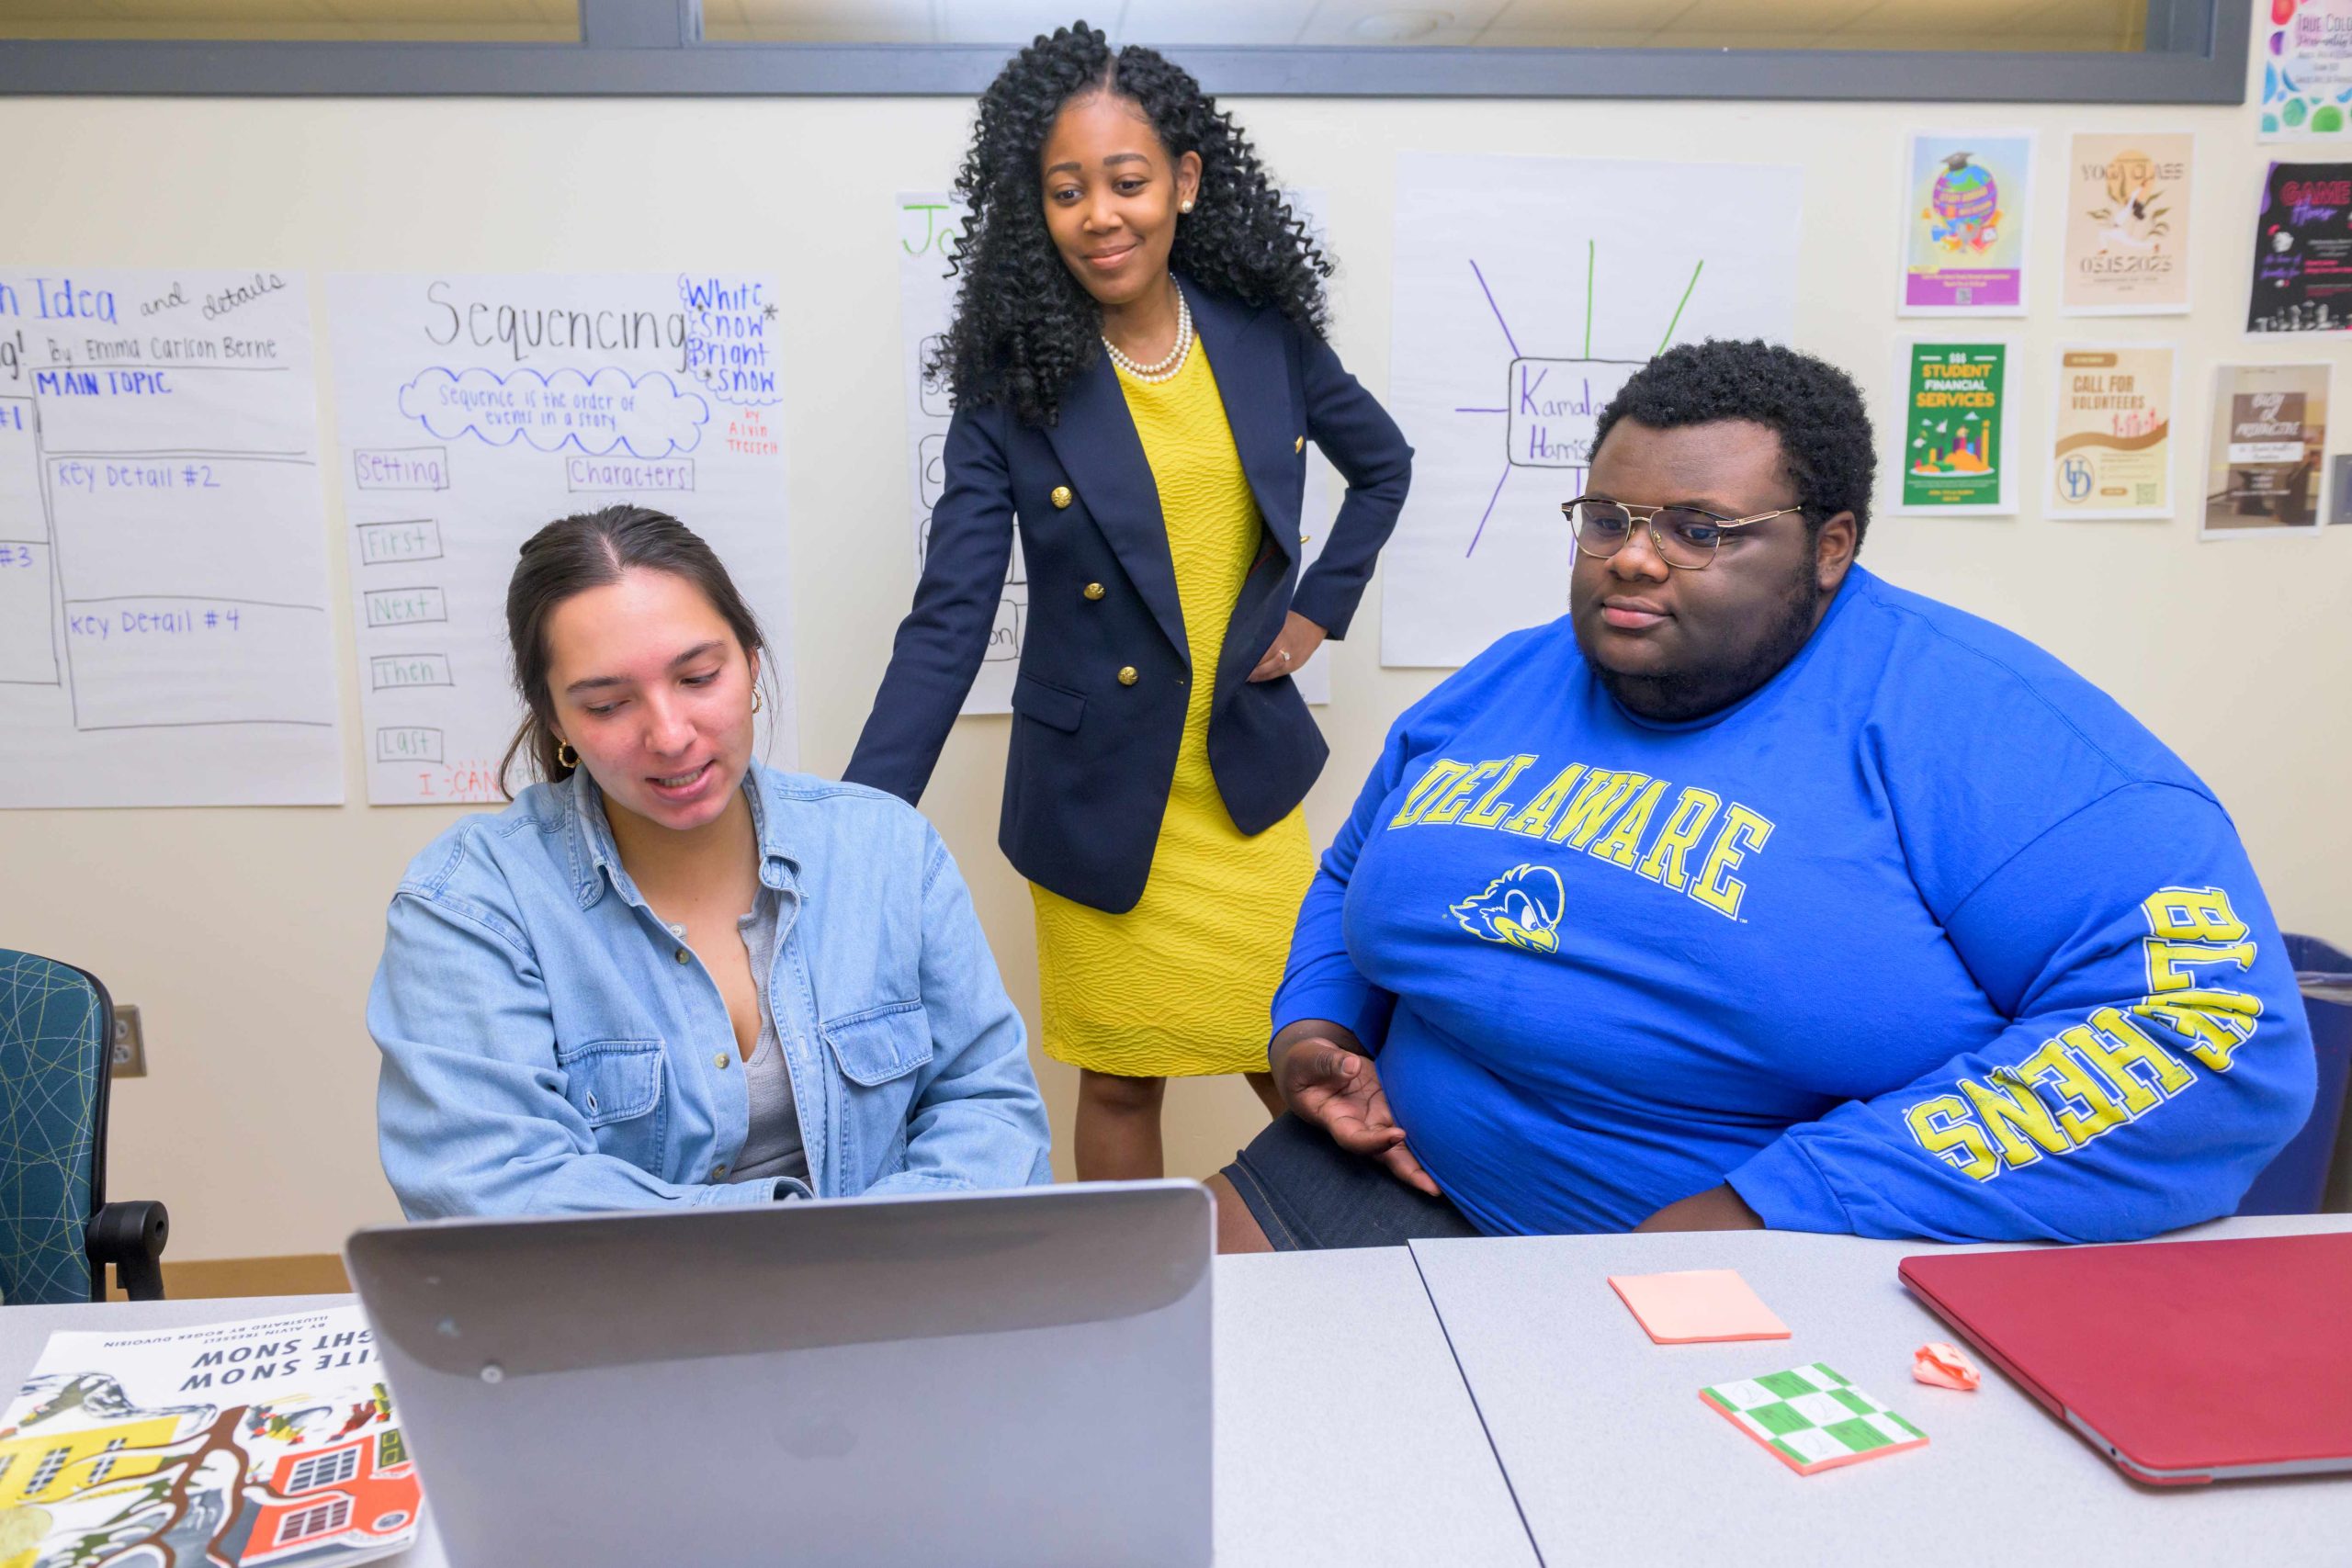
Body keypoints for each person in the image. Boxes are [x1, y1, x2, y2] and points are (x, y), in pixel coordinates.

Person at [1211, 340, 2315, 1252]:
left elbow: (2210, 1036)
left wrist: (1773, 1209)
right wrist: (1316, 1025)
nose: (1633, 560)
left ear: (1830, 546)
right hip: (1382, 1174)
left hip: (1765, 1256)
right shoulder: (1504, 678)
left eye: (1700, 530)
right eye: (1608, 519)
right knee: (1125, 1370)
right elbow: (1356, 867)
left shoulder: (1982, 727)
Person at [847, 24, 1412, 1180]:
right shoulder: (1011, 391)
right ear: (1036, 209)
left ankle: (1353, 1290)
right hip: (1102, 785)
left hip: (1243, 774)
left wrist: (1315, 615)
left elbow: (1385, 464)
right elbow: (950, 616)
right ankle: (1121, 1319)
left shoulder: (1264, 340)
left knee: (1304, 1054)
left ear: (1184, 183)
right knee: (1117, 1072)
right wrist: (856, 825)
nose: (1100, 214)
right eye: (1067, 191)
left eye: (1127, 181)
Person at [371, 505, 1050, 1217]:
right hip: (623, 1320)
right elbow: (492, 1189)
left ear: (751, 660)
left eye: (698, 677)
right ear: (556, 720)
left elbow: (990, 1106)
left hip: (894, 1292)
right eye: (607, 705)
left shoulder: (888, 851)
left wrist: (861, 1267)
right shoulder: (469, 907)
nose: (669, 735)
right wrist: (797, 1242)